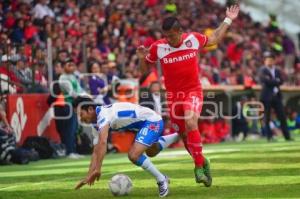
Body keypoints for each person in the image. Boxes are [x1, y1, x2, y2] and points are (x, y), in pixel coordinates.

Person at [137, 5, 240, 186]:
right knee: (184, 136)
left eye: (172, 36)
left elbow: (215, 37)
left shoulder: (193, 39)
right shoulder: (158, 47)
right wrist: (141, 58)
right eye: (166, 36)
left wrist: (228, 19)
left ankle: (198, 168)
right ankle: (202, 161)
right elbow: (145, 71)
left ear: (180, 32)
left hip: (192, 91)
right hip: (173, 97)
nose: (168, 39)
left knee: (191, 121)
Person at [73, 96, 179, 197]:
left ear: (90, 109)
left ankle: (161, 179)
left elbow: (102, 143)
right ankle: (180, 135)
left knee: (134, 155)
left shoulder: (103, 116)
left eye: (80, 114)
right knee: (151, 152)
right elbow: (96, 151)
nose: (80, 119)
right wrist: (88, 175)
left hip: (151, 121)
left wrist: (98, 169)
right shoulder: (97, 122)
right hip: (144, 124)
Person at [259, 51, 292, 141]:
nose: (269, 62)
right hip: (267, 97)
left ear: (274, 61)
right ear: (265, 61)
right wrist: (275, 81)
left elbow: (281, 80)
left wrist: (273, 81)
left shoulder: (277, 70)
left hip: (277, 96)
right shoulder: (263, 70)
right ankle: (269, 137)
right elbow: (266, 81)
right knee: (267, 117)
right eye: (267, 60)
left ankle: (287, 136)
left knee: (282, 116)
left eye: (271, 60)